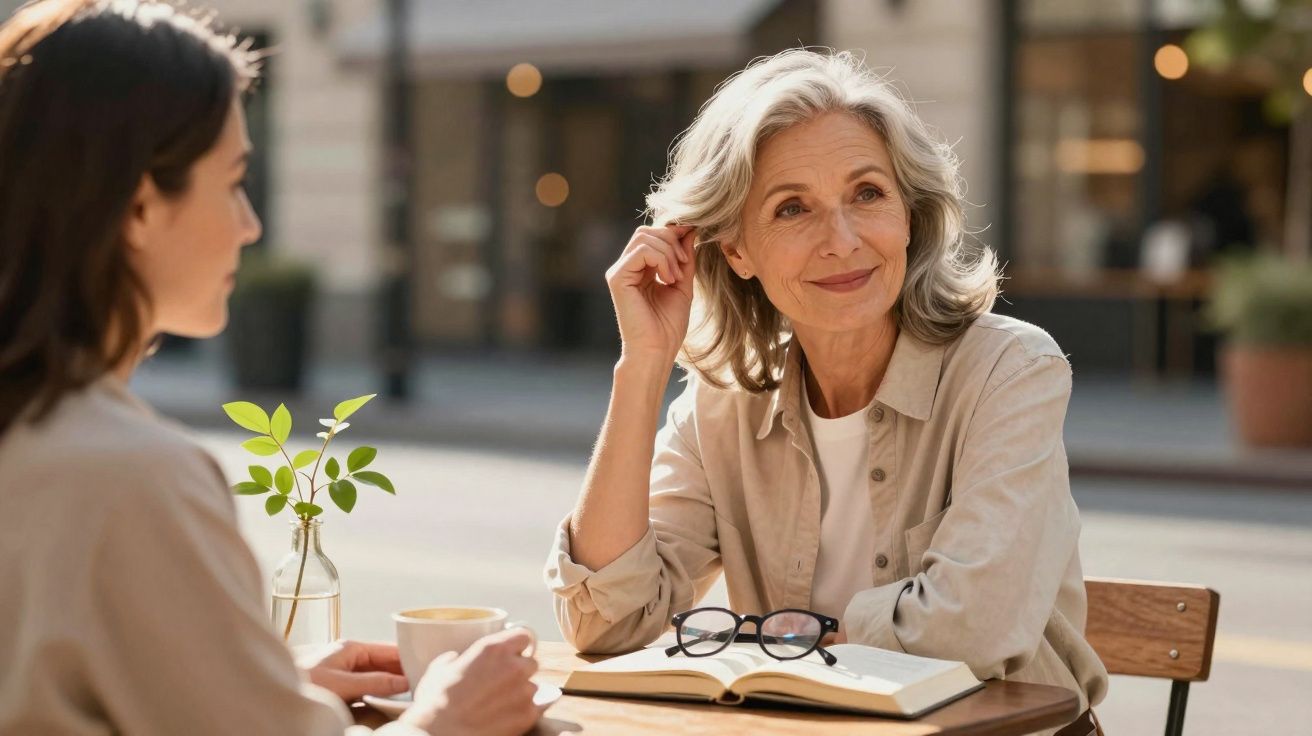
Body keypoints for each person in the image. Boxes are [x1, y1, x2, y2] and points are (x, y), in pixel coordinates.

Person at [0, 2, 540, 734]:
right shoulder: (129, 476)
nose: (250, 225)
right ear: (136, 206)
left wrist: (264, 681)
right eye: (232, 181)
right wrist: (446, 719)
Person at [544, 49, 1108, 735]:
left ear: (909, 213)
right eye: (792, 209)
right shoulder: (720, 407)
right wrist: (642, 367)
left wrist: (785, 644)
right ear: (737, 250)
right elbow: (608, 621)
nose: (841, 241)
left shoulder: (1010, 371)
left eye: (867, 194)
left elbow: (973, 629)